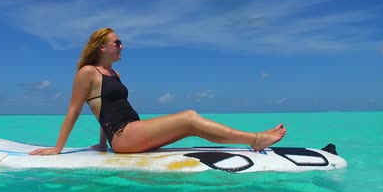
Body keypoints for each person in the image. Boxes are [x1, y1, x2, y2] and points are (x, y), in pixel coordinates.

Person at [29, 28, 287, 156]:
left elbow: (104, 108)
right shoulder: (87, 73)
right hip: (124, 136)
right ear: (102, 47)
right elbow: (75, 110)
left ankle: (256, 137)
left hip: (130, 132)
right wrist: (57, 148)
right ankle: (255, 139)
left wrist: (101, 143)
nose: (122, 46)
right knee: (189, 116)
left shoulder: (114, 75)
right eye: (117, 42)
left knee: (190, 125)